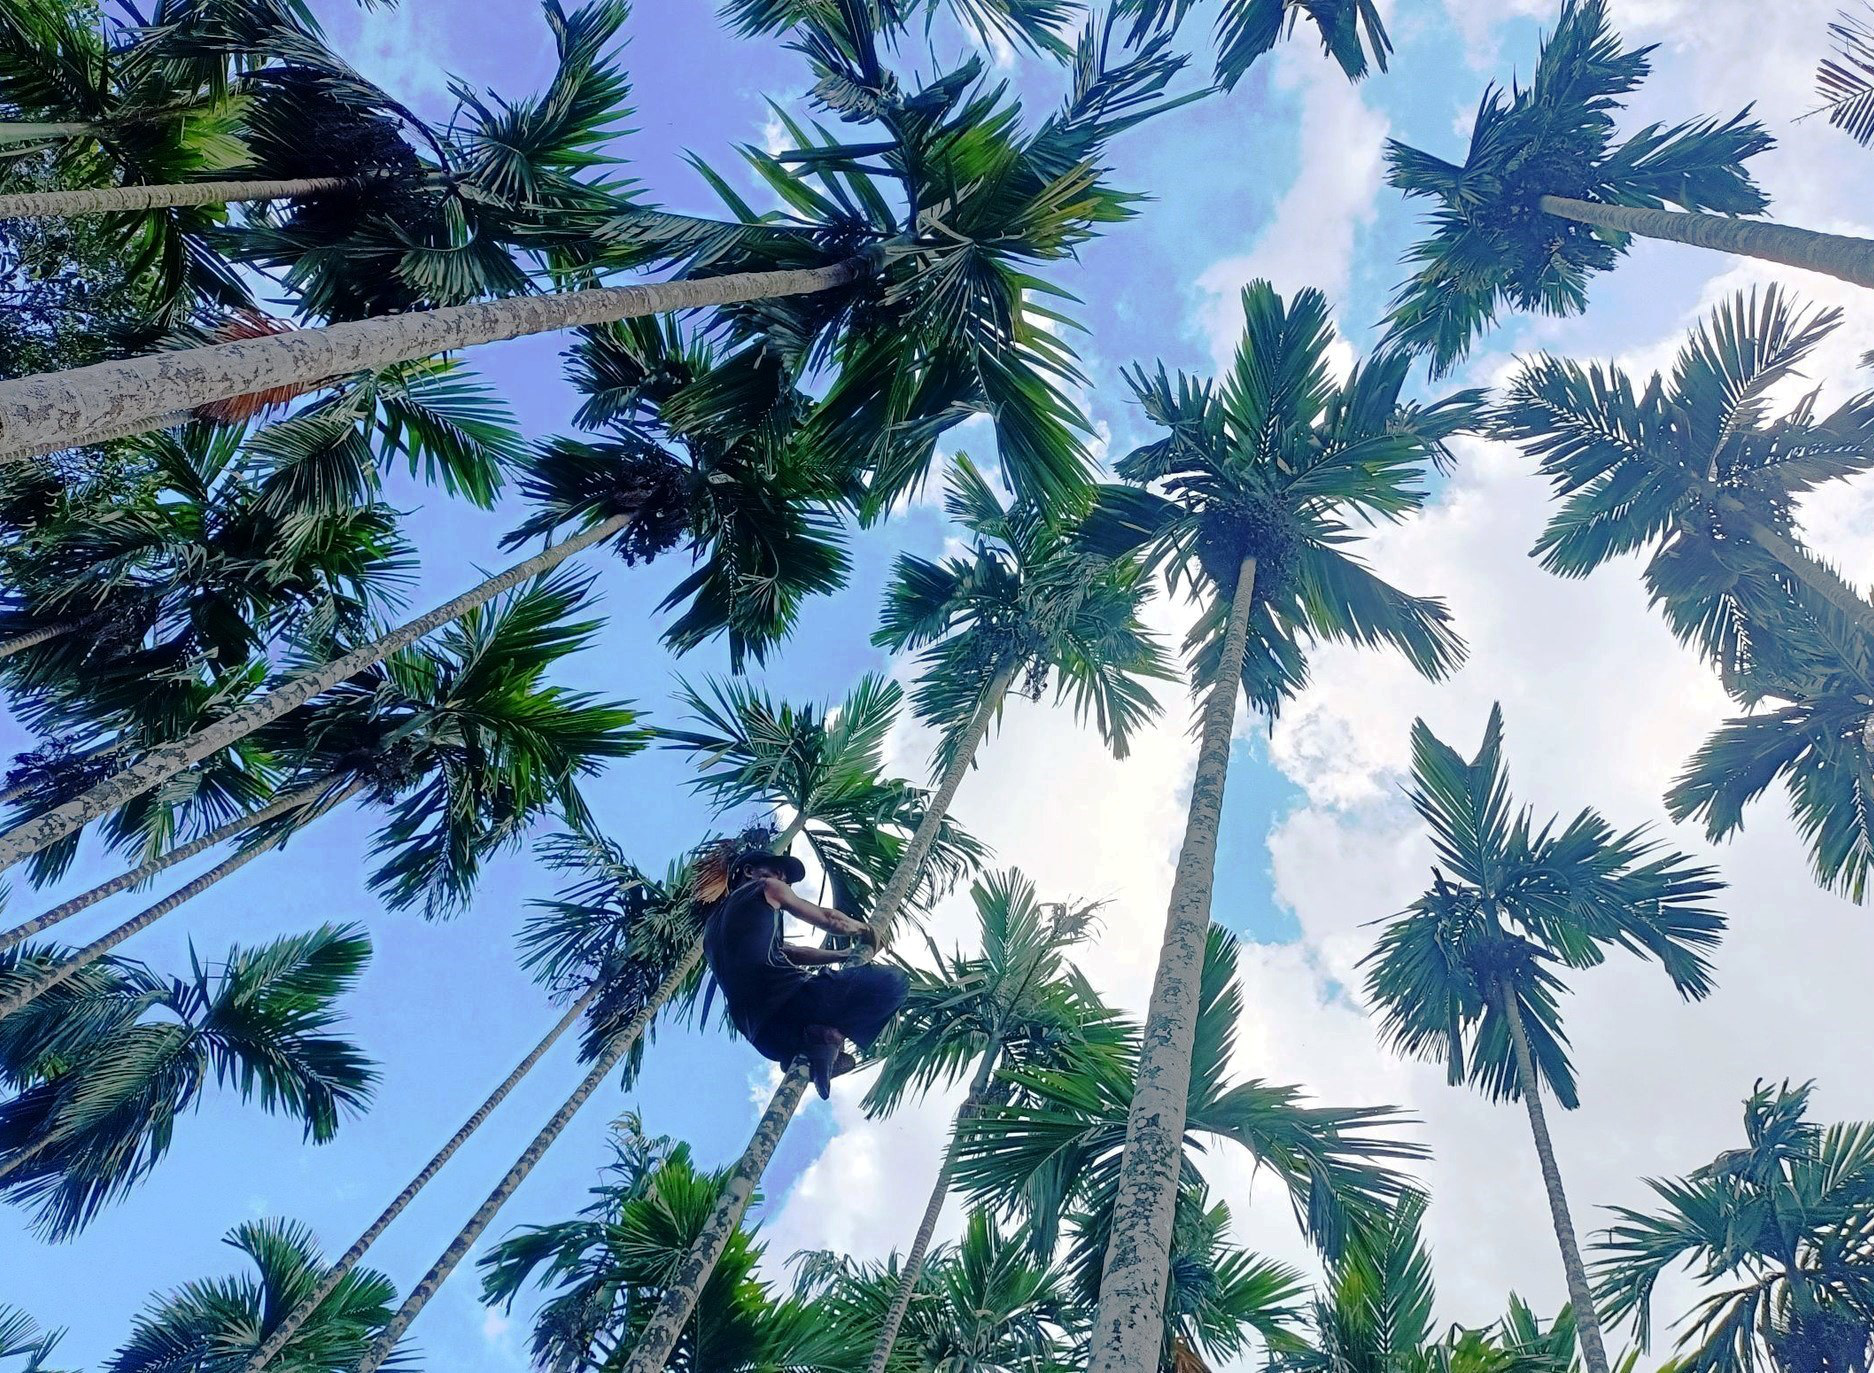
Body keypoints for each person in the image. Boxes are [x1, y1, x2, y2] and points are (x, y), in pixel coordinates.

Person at [702, 845, 908, 1099]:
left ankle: (815, 1042)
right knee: (893, 982)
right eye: (777, 872)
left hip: (764, 1035)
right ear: (750, 871)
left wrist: (842, 955)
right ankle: (828, 1036)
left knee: (808, 1019)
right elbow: (828, 918)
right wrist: (865, 931)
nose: (783, 880)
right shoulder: (766, 887)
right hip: (794, 1001)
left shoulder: (711, 931)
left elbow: (790, 952)